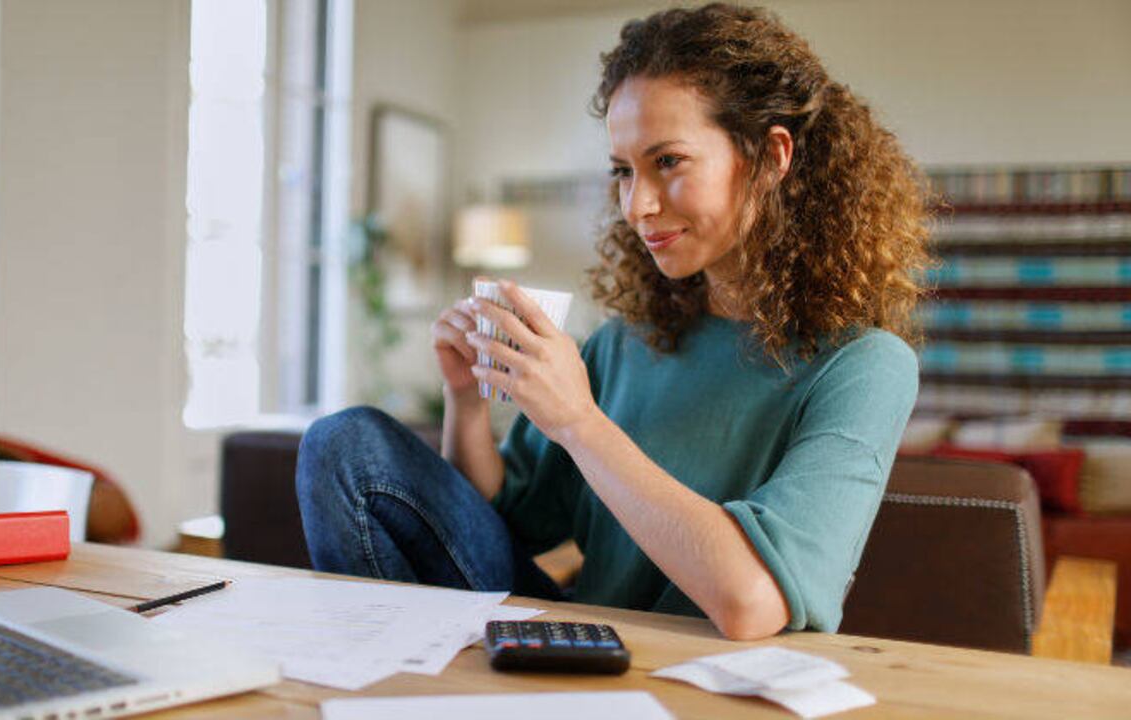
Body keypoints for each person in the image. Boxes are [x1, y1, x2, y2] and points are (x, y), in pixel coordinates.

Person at [296, 3, 932, 640]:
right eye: (623, 171)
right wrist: (465, 400)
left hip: (718, 674)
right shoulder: (622, 345)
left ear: (771, 156)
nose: (638, 205)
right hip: (585, 647)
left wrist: (578, 421)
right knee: (346, 445)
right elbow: (501, 522)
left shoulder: (865, 366)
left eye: (669, 162)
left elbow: (752, 603)